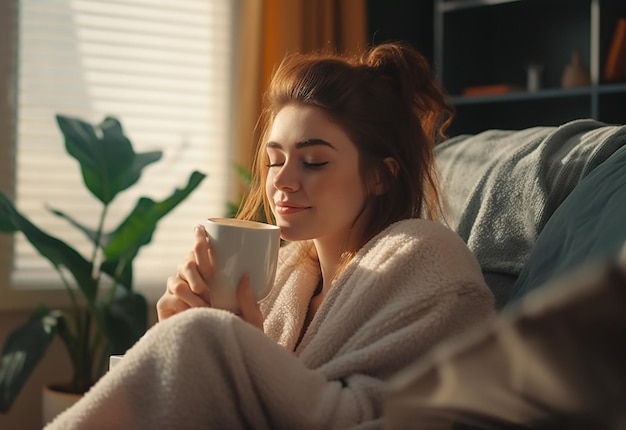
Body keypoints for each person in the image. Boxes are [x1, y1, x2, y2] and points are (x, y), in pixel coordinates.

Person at [45, 42, 494, 429]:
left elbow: (385, 414)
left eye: (313, 161)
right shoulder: (284, 276)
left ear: (380, 176)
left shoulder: (423, 257)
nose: (281, 181)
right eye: (274, 159)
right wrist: (178, 332)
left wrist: (227, 349)